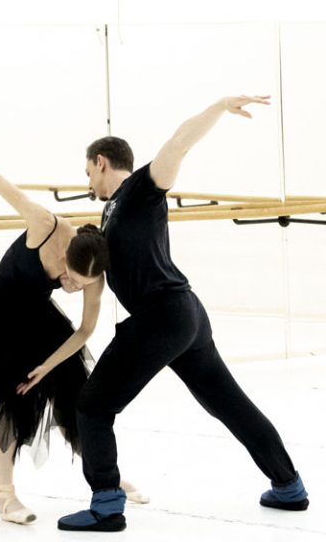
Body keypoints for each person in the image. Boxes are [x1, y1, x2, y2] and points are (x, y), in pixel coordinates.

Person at [58, 95, 308, 532]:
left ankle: (107, 506)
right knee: (228, 403)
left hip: (161, 318)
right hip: (183, 315)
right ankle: (288, 486)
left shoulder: (141, 189)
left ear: (101, 162)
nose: (88, 182)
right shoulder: (110, 209)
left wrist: (220, 106)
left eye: (88, 173)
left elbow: (179, 143)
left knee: (93, 406)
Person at [0, 109, 145, 524]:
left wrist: (48, 365)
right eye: (69, 279)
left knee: (77, 396)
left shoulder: (94, 269)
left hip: (37, 319)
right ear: (66, 256)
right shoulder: (44, 223)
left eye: (80, 285)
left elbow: (86, 329)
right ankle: (6, 497)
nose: (72, 287)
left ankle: (105, 477)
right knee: (10, 401)